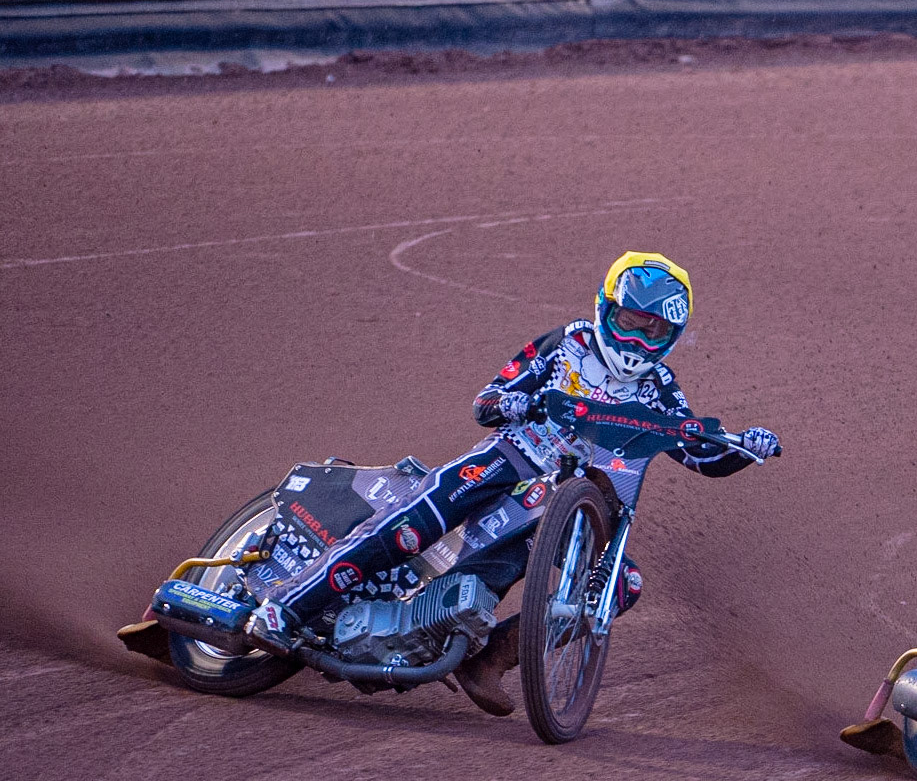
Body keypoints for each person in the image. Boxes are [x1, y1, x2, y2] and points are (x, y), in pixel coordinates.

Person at [245, 251, 781, 714]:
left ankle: (489, 659)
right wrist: (518, 403)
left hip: (573, 503)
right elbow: (486, 402)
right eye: (631, 321)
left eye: (655, 330)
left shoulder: (661, 386)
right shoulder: (568, 342)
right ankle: (286, 606)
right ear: (606, 307)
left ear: (673, 336)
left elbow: (699, 453)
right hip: (510, 459)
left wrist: (744, 448)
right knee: (409, 530)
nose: (640, 338)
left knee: (623, 585)